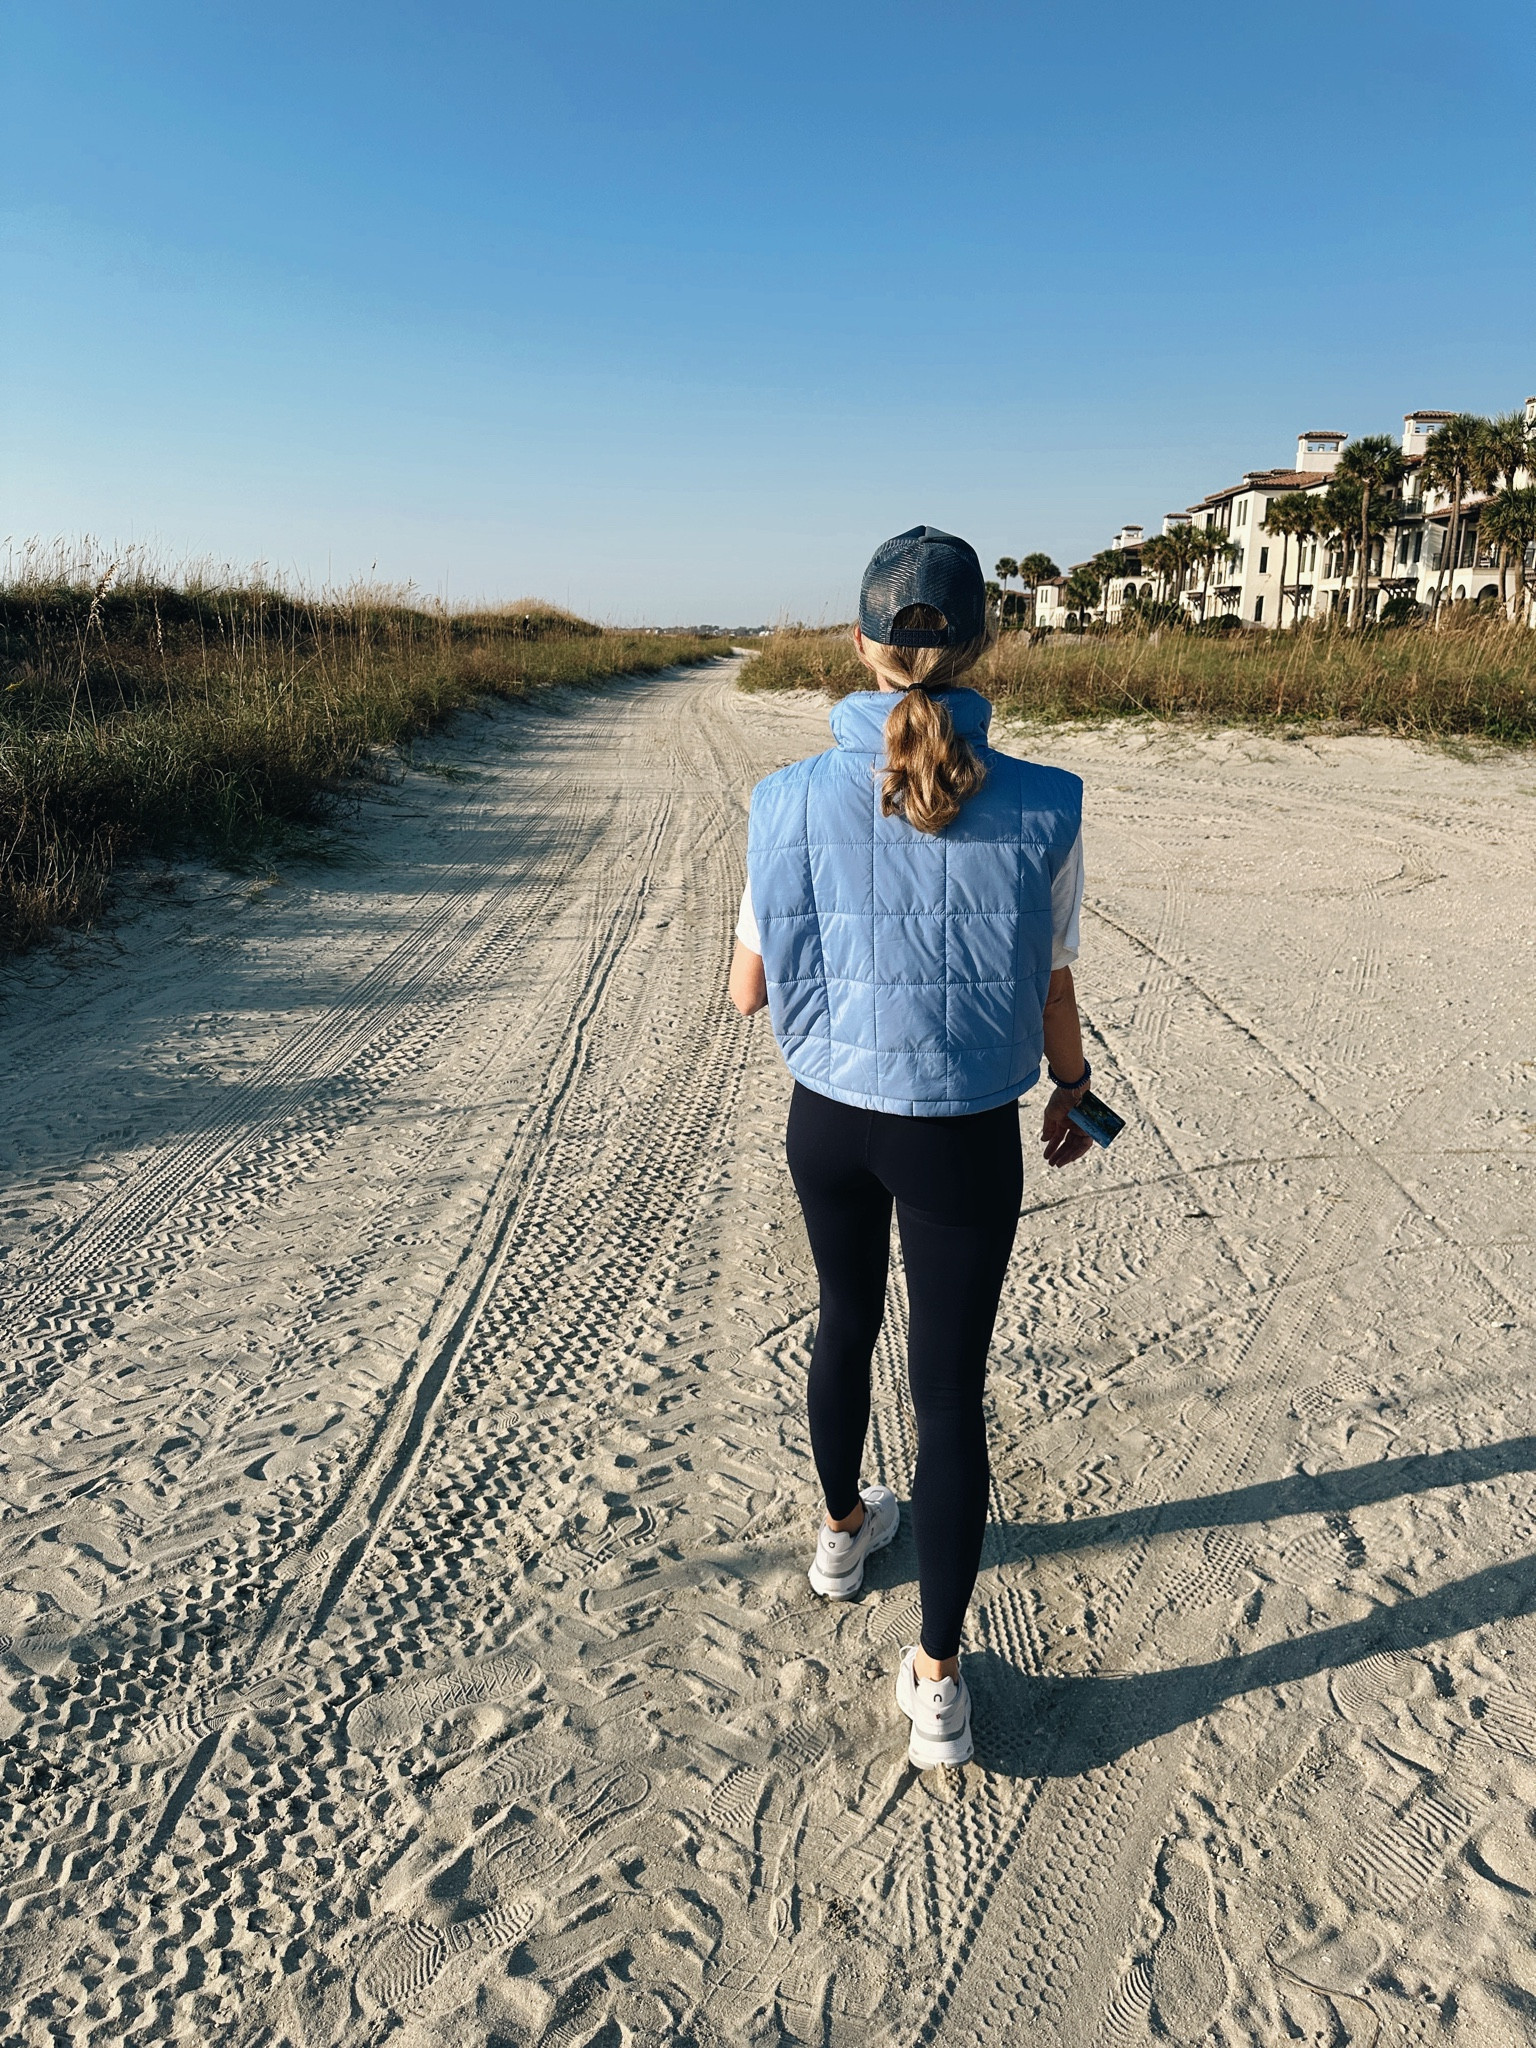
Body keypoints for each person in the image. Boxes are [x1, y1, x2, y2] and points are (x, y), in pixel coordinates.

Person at [728, 526, 1094, 1770]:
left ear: (859, 644)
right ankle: (938, 1676)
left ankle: (841, 1534)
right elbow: (1052, 984)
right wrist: (1076, 1083)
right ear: (983, 644)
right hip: (961, 1137)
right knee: (949, 1393)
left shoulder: (782, 800)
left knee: (843, 1318)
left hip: (829, 1118)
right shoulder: (1047, 801)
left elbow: (746, 993)